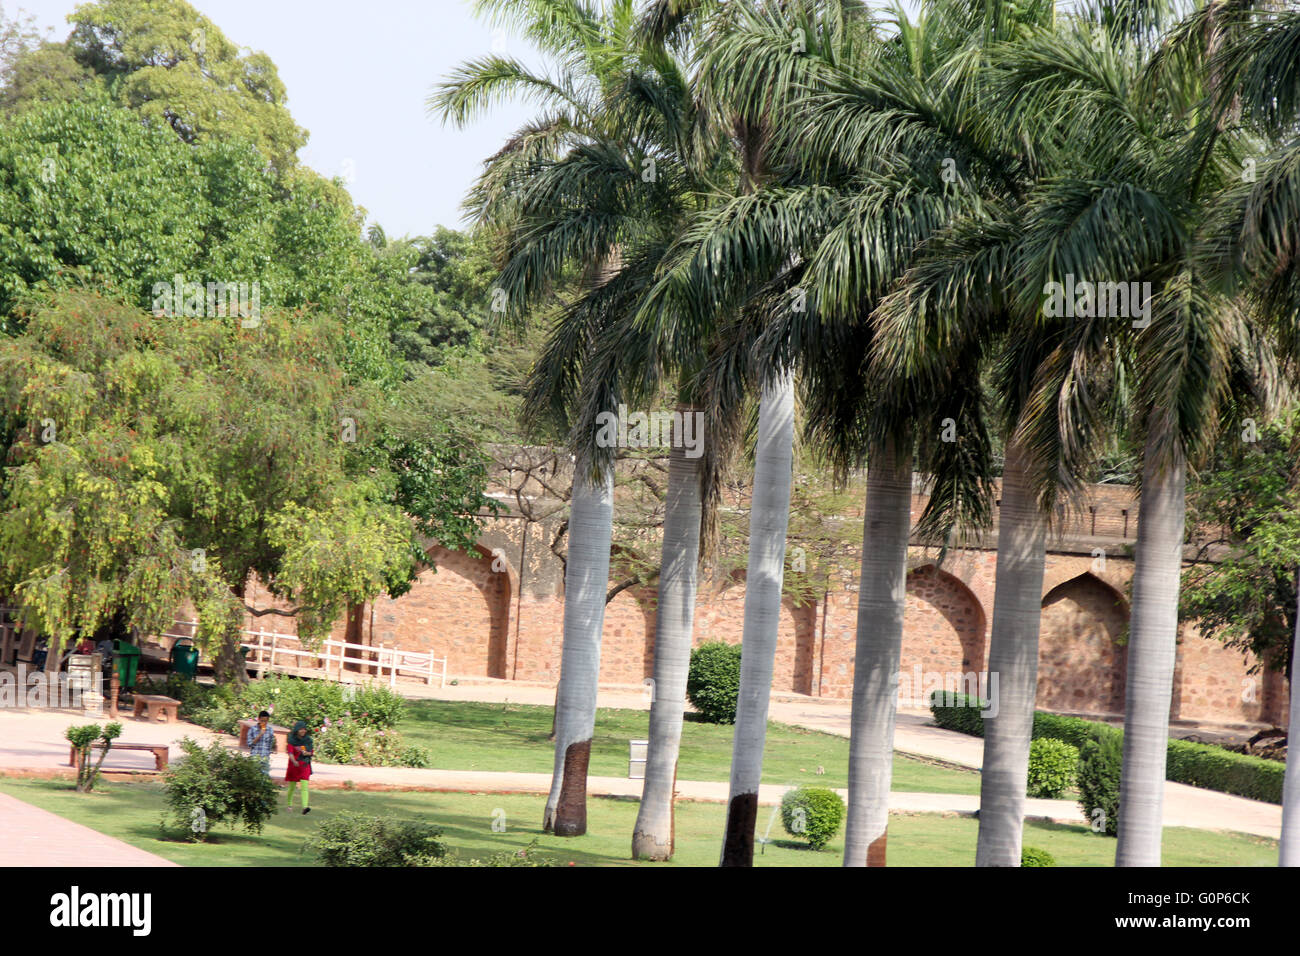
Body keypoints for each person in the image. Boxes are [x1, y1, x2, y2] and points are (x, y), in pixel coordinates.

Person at [284, 720, 313, 814]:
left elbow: (311, 753)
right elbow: (290, 752)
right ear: (297, 730)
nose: (303, 731)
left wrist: (307, 753)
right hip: (294, 766)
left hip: (305, 765)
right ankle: (289, 805)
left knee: (305, 787)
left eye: (304, 729)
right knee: (292, 787)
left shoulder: (308, 740)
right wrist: (294, 761)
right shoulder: (291, 740)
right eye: (301, 729)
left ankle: (305, 807)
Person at [248, 710, 276, 776]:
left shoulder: (270, 730)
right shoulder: (252, 729)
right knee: (253, 776)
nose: (263, 723)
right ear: (258, 719)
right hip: (255, 758)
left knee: (264, 778)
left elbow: (270, 744)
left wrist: (268, 756)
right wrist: (260, 735)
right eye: (262, 720)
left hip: (265, 758)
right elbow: (250, 744)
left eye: (265, 721)